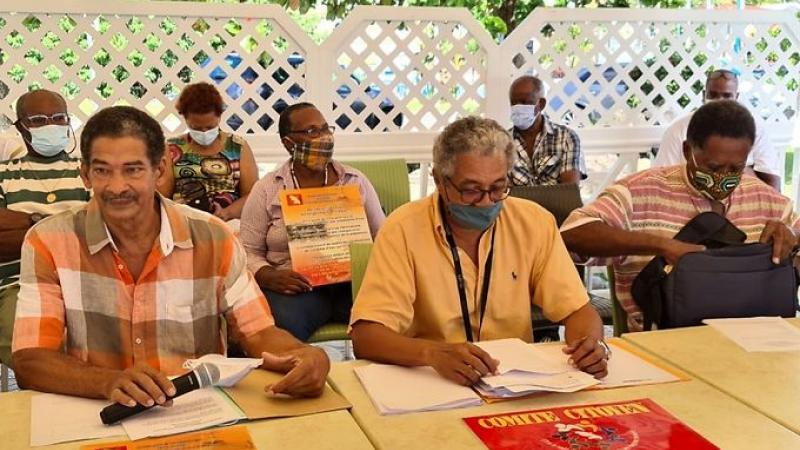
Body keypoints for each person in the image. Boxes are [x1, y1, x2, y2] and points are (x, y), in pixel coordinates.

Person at [12, 106, 329, 407]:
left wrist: (303, 355)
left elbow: (258, 331)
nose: (117, 186)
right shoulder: (48, 241)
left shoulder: (214, 237)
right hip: (96, 411)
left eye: (133, 170)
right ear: (85, 175)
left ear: (160, 169)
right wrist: (107, 382)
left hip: (196, 412)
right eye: (102, 171)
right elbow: (31, 359)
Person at [349, 116, 608, 386]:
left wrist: (589, 345)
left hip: (514, 381)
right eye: (471, 190)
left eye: (497, 188)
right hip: (432, 379)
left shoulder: (534, 222)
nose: (486, 202)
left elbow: (579, 311)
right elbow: (366, 337)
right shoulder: (402, 229)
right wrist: (432, 353)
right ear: (440, 180)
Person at [562, 100, 799, 332]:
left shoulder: (769, 202)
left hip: (758, 342)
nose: (724, 178)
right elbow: (571, 234)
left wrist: (793, 236)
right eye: (713, 168)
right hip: (661, 345)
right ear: (687, 151)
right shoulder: (639, 193)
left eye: (735, 169)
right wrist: (662, 246)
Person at [240, 103, 385, 341]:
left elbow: (383, 236)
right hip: (296, 289)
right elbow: (246, 250)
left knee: (388, 316)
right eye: (311, 132)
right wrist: (267, 275)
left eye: (326, 129)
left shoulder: (355, 181)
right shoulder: (267, 189)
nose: (324, 137)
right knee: (279, 327)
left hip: (353, 285)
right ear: (288, 143)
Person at [0, 90, 90, 367]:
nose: (50, 125)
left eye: (58, 118)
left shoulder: (89, 171)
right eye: (38, 119)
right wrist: (63, 223)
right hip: (21, 281)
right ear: (20, 127)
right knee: (27, 346)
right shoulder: (4, 174)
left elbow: (103, 229)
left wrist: (28, 223)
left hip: (89, 276)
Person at [654, 69, 781, 190]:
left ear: (736, 97)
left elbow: (773, 185)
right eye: (713, 95)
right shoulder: (678, 130)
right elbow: (662, 180)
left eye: (727, 96)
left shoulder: (755, 128)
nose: (719, 101)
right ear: (704, 95)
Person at [158, 82, 259, 220]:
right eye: (197, 128)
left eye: (210, 127)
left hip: (229, 222)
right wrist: (178, 209)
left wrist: (226, 213)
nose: (204, 132)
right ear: (185, 119)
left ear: (219, 116)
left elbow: (252, 195)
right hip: (184, 220)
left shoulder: (237, 146)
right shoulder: (172, 149)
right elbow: (162, 197)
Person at [507, 75, 585, 186]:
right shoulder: (504, 143)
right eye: (514, 103)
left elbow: (569, 191)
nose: (518, 107)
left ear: (541, 104)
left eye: (524, 102)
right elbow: (504, 192)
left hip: (558, 203)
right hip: (517, 204)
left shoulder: (566, 138)